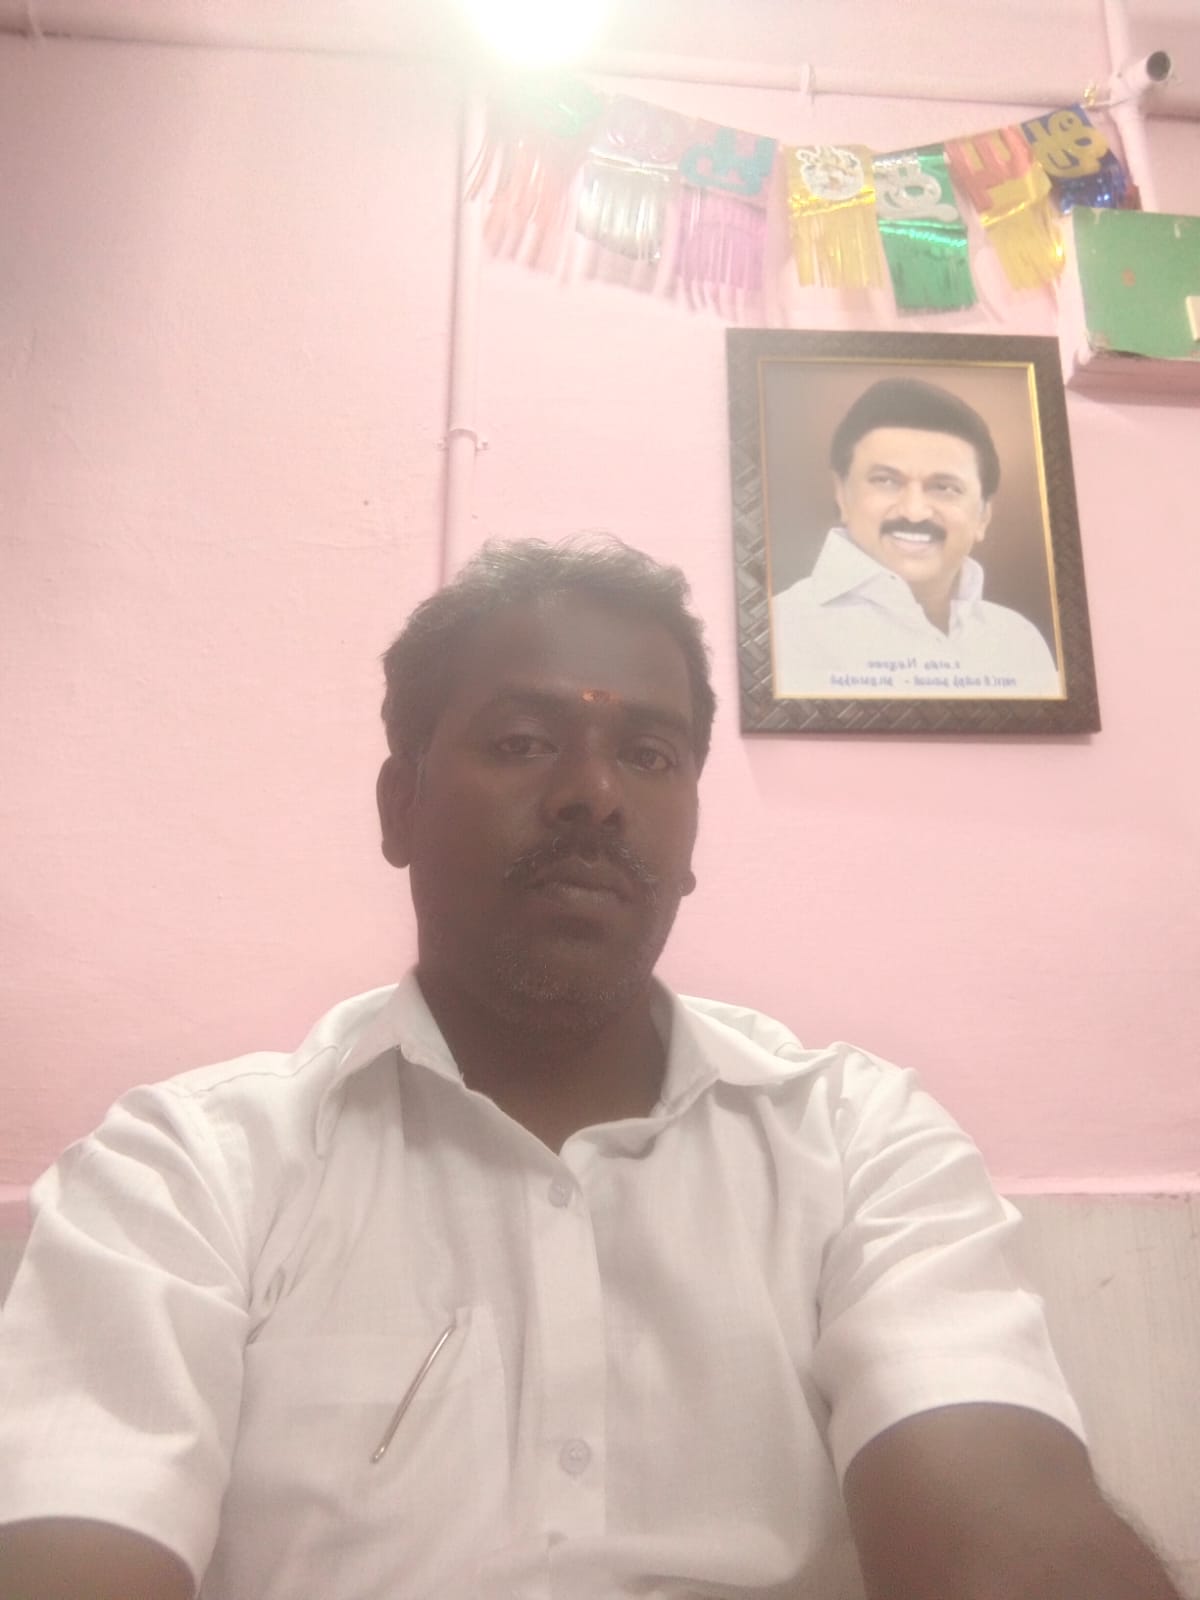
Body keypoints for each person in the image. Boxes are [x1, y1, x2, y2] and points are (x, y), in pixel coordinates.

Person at [0, 538, 1181, 1600]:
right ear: (400, 806)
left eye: (650, 753)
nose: (593, 796)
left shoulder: (859, 1140)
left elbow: (1008, 1527)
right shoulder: (188, 1171)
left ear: (693, 834)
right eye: (523, 743)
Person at [771, 378, 1062, 698]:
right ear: (842, 495)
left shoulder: (1020, 643)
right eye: (885, 481)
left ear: (983, 516)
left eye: (944, 487)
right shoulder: (782, 630)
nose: (914, 512)